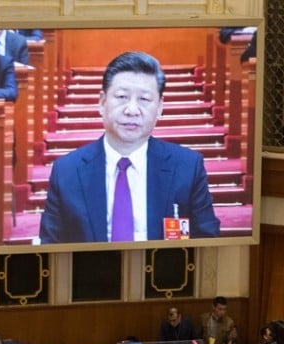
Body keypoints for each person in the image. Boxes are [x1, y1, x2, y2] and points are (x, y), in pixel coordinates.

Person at [39, 51, 219, 243]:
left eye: (144, 99)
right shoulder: (67, 171)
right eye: (122, 96)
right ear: (102, 102)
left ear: (159, 108)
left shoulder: (187, 167)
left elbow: (207, 243)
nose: (132, 110)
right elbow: (52, 247)